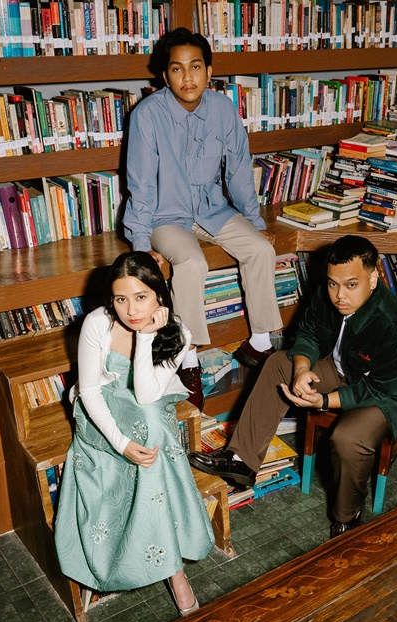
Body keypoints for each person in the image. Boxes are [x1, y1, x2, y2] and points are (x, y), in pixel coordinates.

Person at [189, 235, 397, 538]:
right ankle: (241, 460)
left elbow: (381, 390)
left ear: (373, 278)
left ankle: (347, 517)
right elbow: (309, 333)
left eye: (351, 285)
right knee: (278, 363)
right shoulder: (329, 294)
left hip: (387, 392)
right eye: (333, 283)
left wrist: (323, 401)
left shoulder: (396, 326)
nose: (339, 295)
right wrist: (301, 369)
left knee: (348, 438)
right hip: (340, 369)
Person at [122, 28, 284, 406]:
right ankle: (188, 360)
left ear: (209, 72)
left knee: (261, 249)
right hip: (166, 217)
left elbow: (238, 170)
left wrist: (255, 221)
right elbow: (139, 184)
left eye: (195, 67)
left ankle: (260, 343)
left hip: (212, 210)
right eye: (177, 69)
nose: (187, 77)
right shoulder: (147, 115)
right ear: (165, 76)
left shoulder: (223, 109)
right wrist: (142, 245)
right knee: (192, 263)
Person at [54, 251, 214, 616]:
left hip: (145, 405)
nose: (131, 310)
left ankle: (172, 568)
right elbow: (90, 392)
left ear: (159, 294)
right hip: (100, 412)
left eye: (141, 297)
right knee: (151, 429)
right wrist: (122, 444)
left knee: (151, 423)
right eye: (120, 299)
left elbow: (145, 394)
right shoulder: (98, 322)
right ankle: (175, 573)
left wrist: (145, 338)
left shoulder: (179, 332)